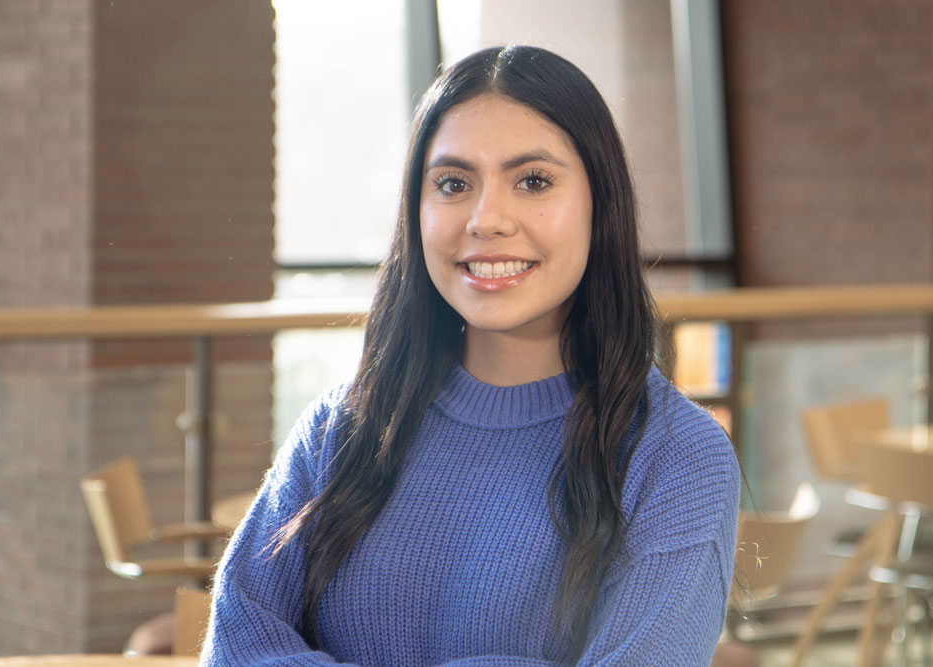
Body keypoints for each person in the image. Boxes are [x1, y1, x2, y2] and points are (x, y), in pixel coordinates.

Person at [201, 45, 740, 666]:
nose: (486, 220)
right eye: (453, 184)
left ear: (601, 203)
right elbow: (236, 647)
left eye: (533, 181)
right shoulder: (340, 428)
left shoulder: (676, 455)